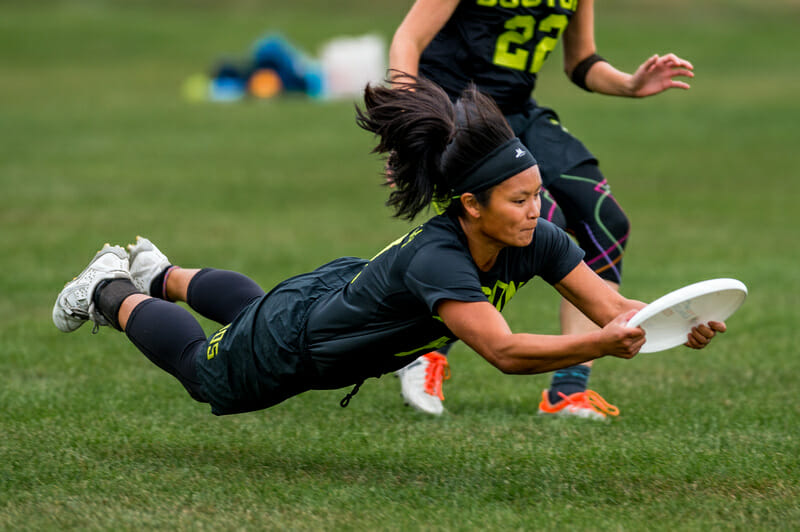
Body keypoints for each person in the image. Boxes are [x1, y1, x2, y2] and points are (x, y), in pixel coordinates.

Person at [51, 78, 722, 417]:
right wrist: (598, 346)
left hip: (325, 299)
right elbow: (504, 350)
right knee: (209, 375)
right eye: (518, 200)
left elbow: (611, 305)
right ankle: (110, 288)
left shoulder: (535, 238)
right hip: (303, 340)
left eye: (536, 193)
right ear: (471, 205)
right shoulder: (442, 259)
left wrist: (673, 318)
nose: (535, 209)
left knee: (253, 312)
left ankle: (161, 271)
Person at [389, 0, 696, 417]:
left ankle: (567, 391)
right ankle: (424, 349)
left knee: (605, 222)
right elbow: (409, 39)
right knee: (530, 223)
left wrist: (629, 83)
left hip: (518, 112)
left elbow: (581, 60)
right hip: (456, 112)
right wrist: (407, 129)